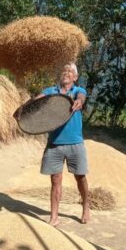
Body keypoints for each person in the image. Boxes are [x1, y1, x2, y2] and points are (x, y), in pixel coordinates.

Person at [36, 63, 90, 225]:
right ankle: (54, 216)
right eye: (64, 70)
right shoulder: (50, 92)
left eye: (70, 71)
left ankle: (86, 205)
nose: (66, 73)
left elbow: (82, 97)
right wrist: (25, 109)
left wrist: (79, 102)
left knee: (80, 177)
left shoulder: (78, 91)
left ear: (75, 77)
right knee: (55, 180)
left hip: (75, 143)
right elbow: (36, 100)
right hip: (55, 144)